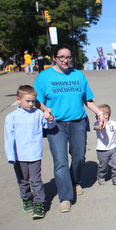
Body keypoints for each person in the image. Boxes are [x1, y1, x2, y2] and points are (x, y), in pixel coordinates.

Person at [34, 44, 105, 213]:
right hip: (55, 124)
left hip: (78, 122)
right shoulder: (44, 77)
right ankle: (65, 197)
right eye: (61, 57)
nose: (65, 60)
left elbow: (87, 99)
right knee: (60, 161)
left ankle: (75, 181)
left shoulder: (78, 75)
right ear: (54, 58)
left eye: (68, 57)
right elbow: (37, 100)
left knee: (79, 157)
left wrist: (99, 112)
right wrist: (45, 110)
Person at [4, 85, 56, 219]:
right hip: (19, 155)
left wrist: (50, 118)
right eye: (27, 101)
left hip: (34, 154)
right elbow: (8, 138)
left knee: (36, 180)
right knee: (22, 180)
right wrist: (11, 155)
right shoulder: (12, 117)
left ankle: (39, 203)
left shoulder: (38, 113)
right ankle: (26, 198)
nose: (31, 104)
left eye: (33, 101)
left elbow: (49, 126)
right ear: (18, 100)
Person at [93, 104, 116, 186]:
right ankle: (101, 176)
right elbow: (95, 128)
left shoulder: (113, 123)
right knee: (103, 166)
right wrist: (100, 126)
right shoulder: (97, 124)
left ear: (106, 115)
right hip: (101, 150)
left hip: (113, 148)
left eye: (98, 115)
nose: (96, 117)